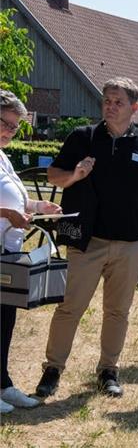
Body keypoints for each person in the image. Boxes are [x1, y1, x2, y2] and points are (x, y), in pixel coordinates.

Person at [35, 77, 138, 399]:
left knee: (118, 311)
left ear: (134, 108)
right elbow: (54, 176)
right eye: (107, 100)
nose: (110, 106)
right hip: (87, 241)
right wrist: (76, 173)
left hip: (132, 243)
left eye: (118, 101)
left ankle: (108, 370)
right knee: (70, 308)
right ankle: (53, 369)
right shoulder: (83, 137)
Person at [0, 90, 61, 412]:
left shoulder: (3, 155)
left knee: (5, 318)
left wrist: (38, 206)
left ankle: (3, 384)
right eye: (6, 124)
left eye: (15, 127)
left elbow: (16, 199)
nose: (10, 132)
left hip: (8, 250)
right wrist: (6, 214)